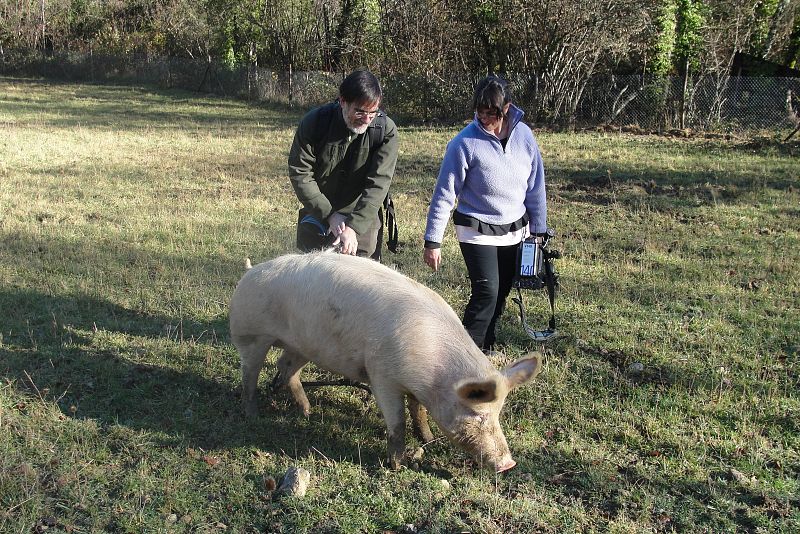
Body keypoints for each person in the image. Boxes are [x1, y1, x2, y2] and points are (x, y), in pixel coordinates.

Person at [423, 75, 548, 352]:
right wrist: (433, 241)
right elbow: (444, 193)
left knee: (502, 290)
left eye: (491, 112)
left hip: (515, 229)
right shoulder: (463, 143)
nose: (483, 118)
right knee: (486, 292)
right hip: (476, 229)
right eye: (480, 111)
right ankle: (465, 354)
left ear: (506, 109)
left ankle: (486, 346)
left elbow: (535, 186)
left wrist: (539, 230)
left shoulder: (525, 136)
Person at [288, 69, 399, 258]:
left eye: (372, 113)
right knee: (314, 272)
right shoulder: (315, 123)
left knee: (361, 274)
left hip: (363, 215)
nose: (366, 119)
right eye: (359, 111)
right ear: (342, 101)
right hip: (318, 210)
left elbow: (378, 184)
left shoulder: (385, 131)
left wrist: (354, 227)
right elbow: (300, 173)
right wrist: (329, 215)